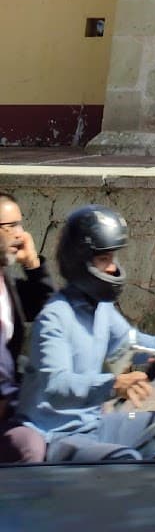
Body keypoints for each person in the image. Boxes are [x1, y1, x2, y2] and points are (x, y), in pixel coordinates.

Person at [17, 204, 155, 464]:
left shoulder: (101, 309)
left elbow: (133, 344)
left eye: (113, 258)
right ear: (80, 262)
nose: (113, 268)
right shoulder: (55, 317)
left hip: (95, 424)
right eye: (104, 260)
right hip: (58, 434)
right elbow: (56, 386)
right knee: (124, 463)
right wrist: (112, 385)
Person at [0, 192, 54, 466]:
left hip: (12, 399)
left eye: (21, 224)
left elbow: (48, 310)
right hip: (6, 408)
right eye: (10, 227)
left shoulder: (4, 281)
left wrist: (33, 265)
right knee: (30, 445)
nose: (21, 236)